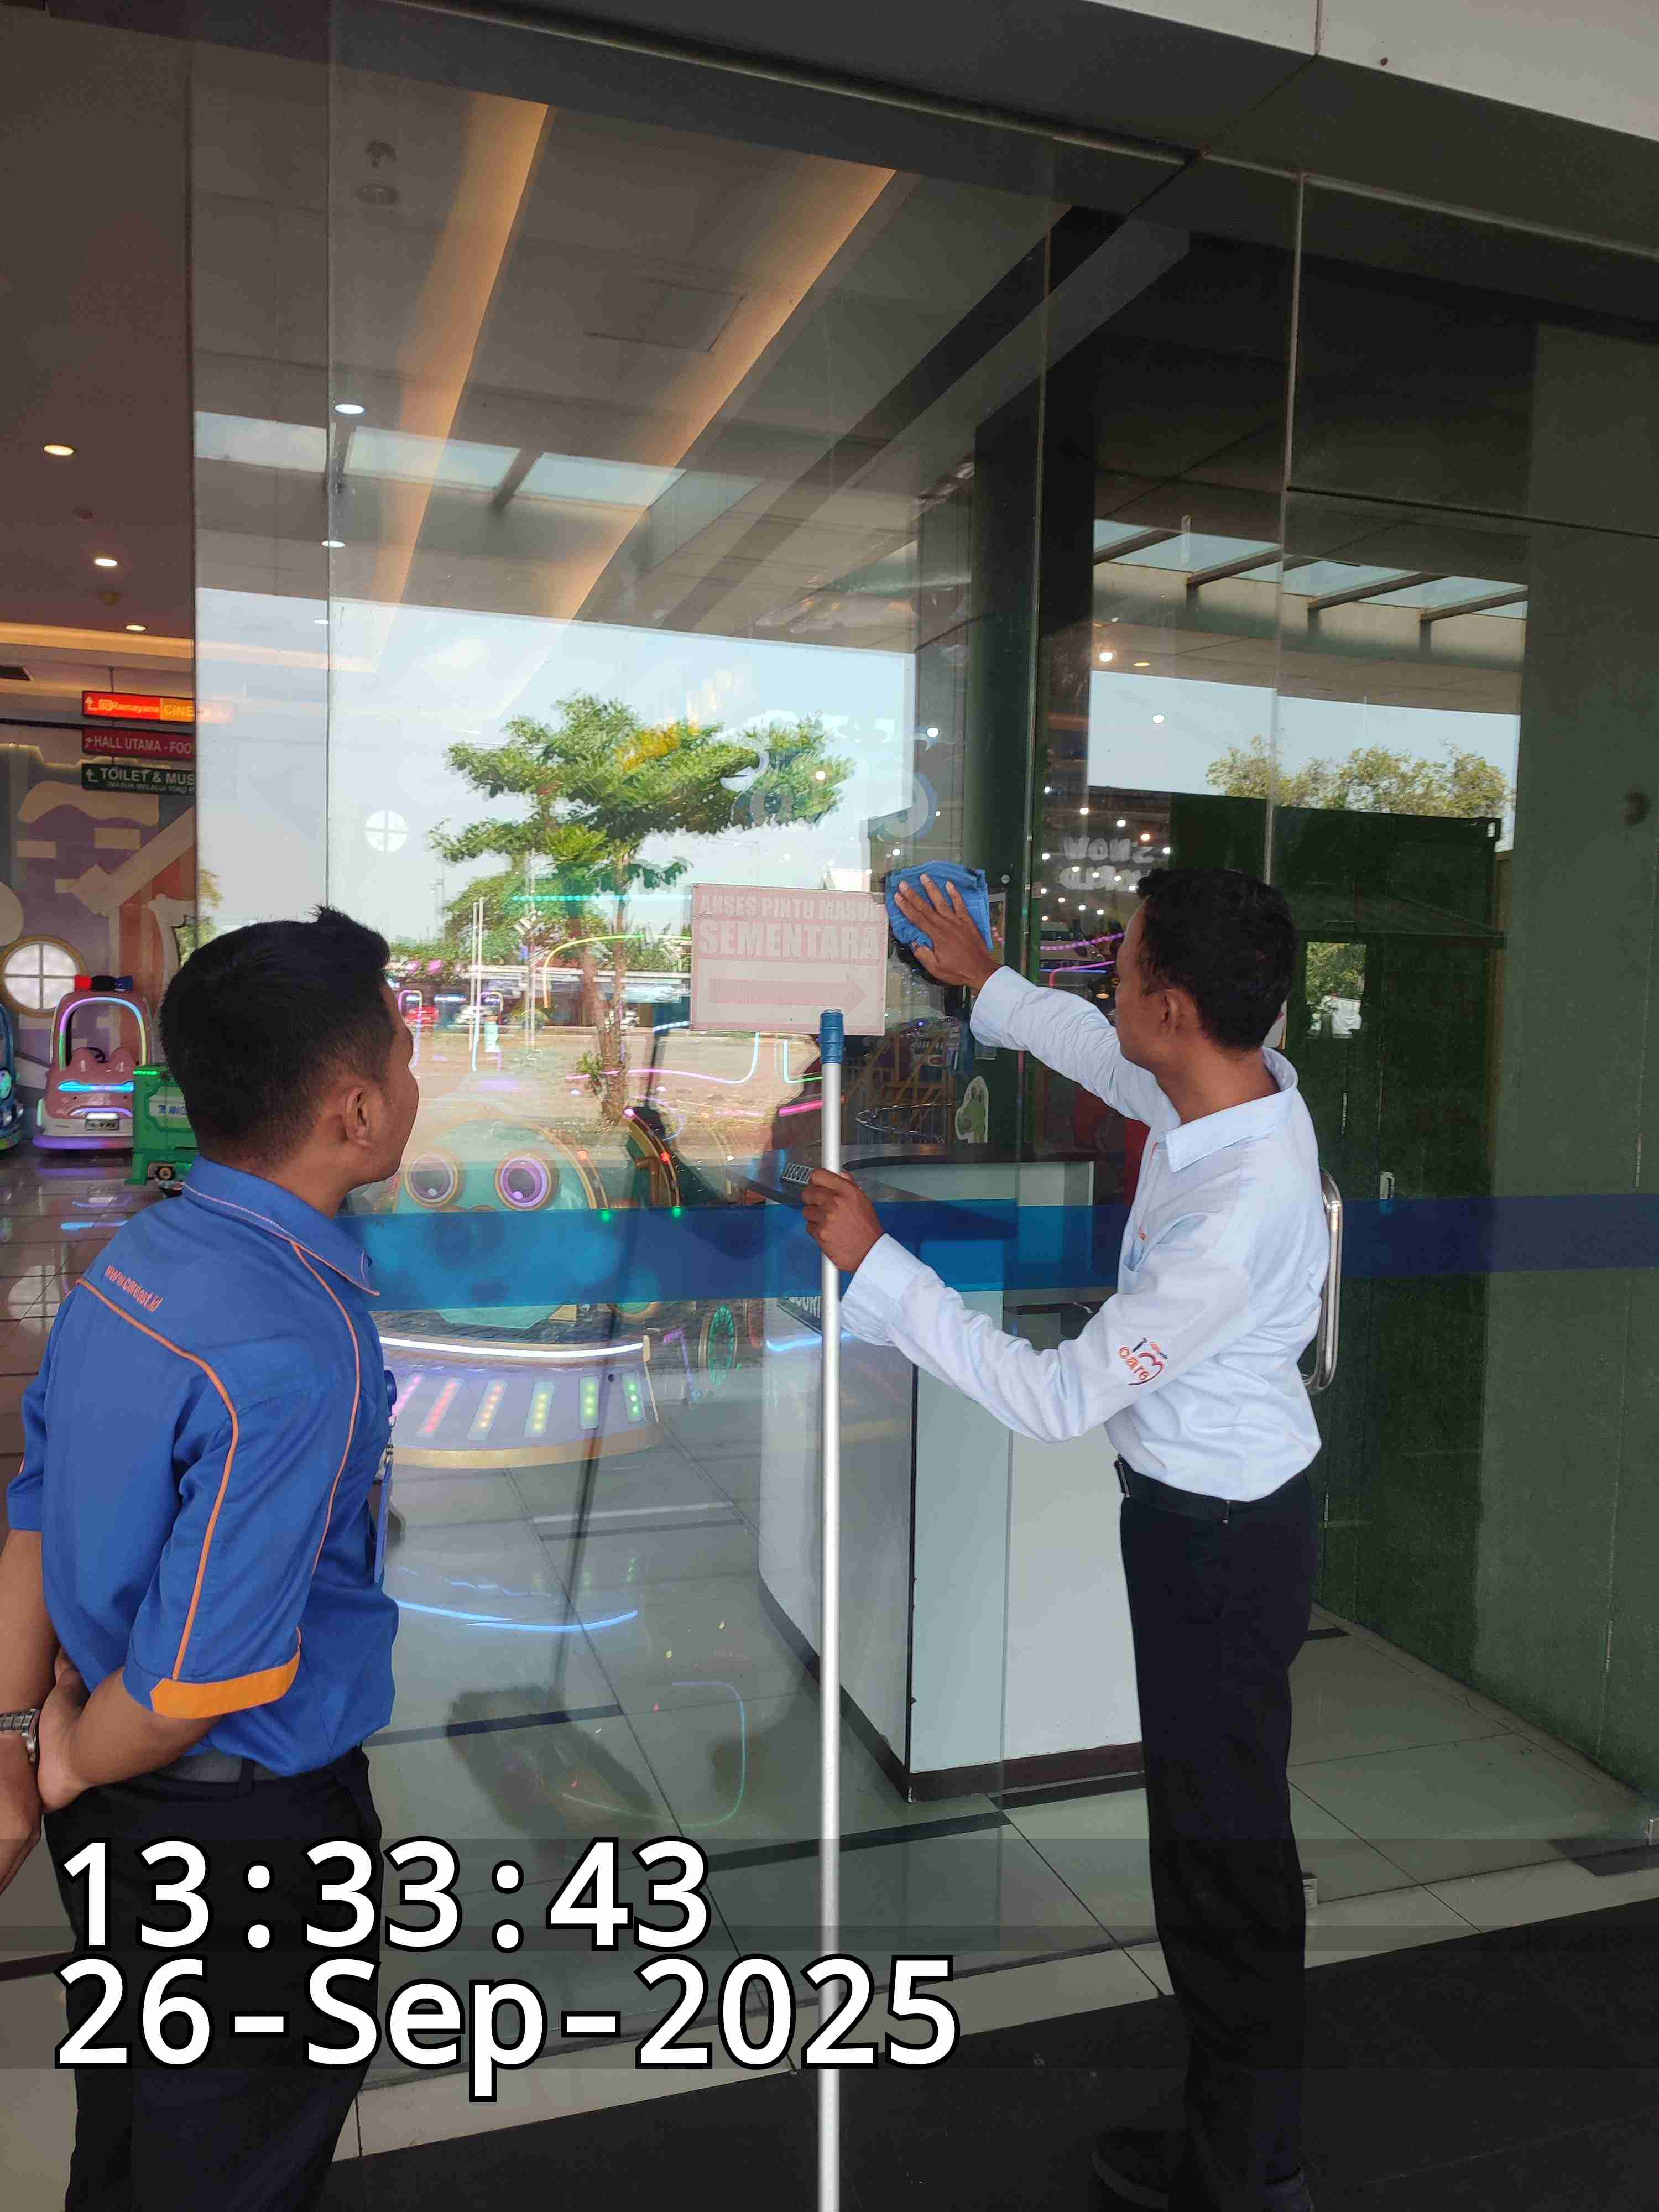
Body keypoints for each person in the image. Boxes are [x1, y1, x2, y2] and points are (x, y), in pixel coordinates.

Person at [803, 867, 1326, 2212]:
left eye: (1124, 963)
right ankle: (1237, 2128)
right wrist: (985, 979)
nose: (1109, 981)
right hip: (1220, 1519)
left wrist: (880, 1267)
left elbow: (1055, 1396)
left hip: (1220, 1543)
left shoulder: (1233, 1214)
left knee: (1220, 1856)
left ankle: (1247, 2167)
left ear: (1176, 1004)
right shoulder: (1232, 1084)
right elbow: (1101, 1049)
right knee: (1219, 1839)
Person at [0, 906, 418, 2211]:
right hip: (239, 1840)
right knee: (234, 2157)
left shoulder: (138, 1254)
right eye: (403, 1056)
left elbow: (35, 1501)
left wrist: (18, 1734)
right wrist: (61, 1760)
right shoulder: (294, 1349)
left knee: (130, 2121)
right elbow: (194, 1680)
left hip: (120, 1808)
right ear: (355, 1109)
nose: (413, 1081)